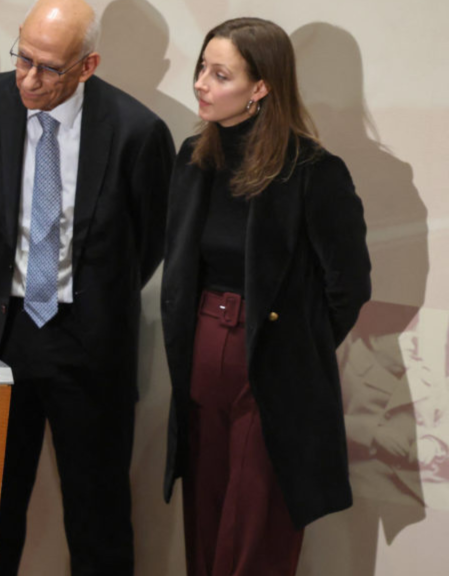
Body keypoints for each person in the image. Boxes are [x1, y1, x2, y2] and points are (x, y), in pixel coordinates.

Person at [0, 0, 175, 573]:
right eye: (22, 58)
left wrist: (94, 295)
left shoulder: (137, 132)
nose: (29, 79)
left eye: (49, 68)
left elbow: (148, 244)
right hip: (1, 336)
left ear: (87, 66)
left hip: (89, 343)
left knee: (98, 518)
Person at [160, 17, 371, 576]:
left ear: (260, 87)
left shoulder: (313, 170)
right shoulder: (193, 156)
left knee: (254, 534)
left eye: (220, 74)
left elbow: (350, 285)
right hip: (202, 349)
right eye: (202, 68)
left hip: (272, 366)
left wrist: (297, 348)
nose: (201, 83)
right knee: (205, 522)